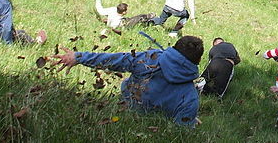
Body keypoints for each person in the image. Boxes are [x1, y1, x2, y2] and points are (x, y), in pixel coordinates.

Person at [50, 35, 203, 126]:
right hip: (143, 126)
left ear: (173, 48)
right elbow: (180, 132)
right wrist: (190, 120)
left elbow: (114, 60)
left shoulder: (149, 59)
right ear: (197, 61)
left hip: (117, 108)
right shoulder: (190, 99)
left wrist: (79, 57)